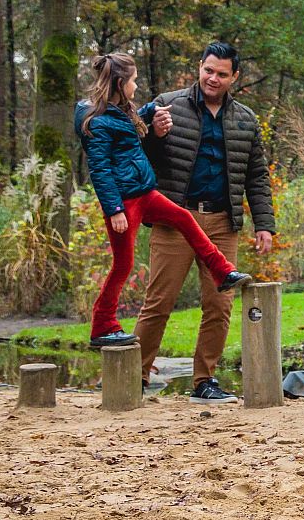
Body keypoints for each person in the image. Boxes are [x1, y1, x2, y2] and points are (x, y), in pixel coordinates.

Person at [74, 53, 250, 353]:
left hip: (145, 193)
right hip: (125, 203)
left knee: (183, 218)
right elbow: (100, 170)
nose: (136, 84)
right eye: (133, 80)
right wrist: (114, 209)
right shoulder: (97, 121)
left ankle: (222, 271)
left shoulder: (118, 111)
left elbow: (132, 126)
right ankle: (102, 326)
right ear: (120, 83)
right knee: (123, 264)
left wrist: (151, 110)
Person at [135, 41, 277, 403]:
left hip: (222, 221)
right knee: (159, 300)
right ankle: (133, 375)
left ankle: (205, 381)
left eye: (222, 73)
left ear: (235, 77)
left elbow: (256, 176)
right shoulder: (167, 105)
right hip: (176, 219)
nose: (213, 78)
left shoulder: (245, 119)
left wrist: (264, 223)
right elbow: (135, 155)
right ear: (199, 67)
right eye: (208, 70)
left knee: (219, 305)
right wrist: (155, 134)